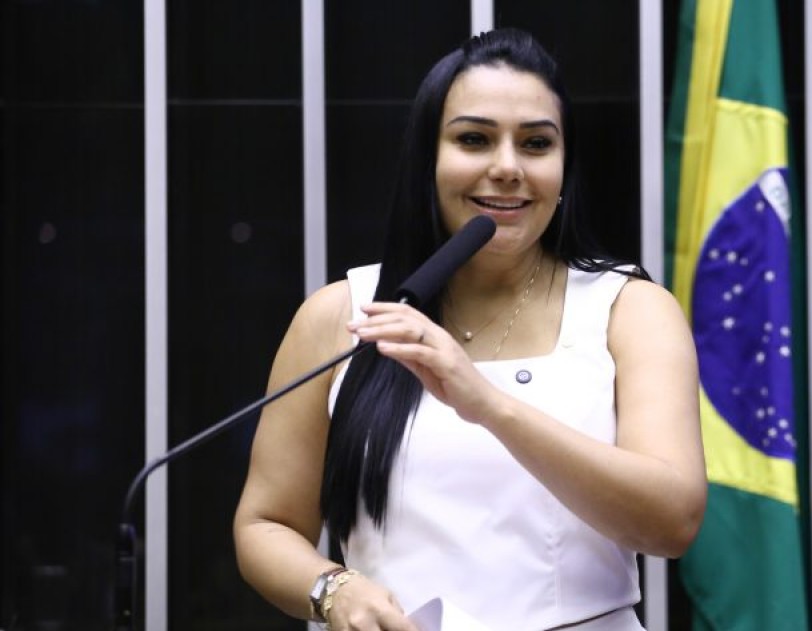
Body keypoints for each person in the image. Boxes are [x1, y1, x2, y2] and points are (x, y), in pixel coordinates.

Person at [234, 27, 706, 631]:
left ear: (564, 167)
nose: (507, 167)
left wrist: (486, 403)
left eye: (536, 144)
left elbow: (673, 521)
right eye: (474, 139)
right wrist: (332, 589)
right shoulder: (343, 315)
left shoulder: (629, 309)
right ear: (427, 160)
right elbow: (265, 523)